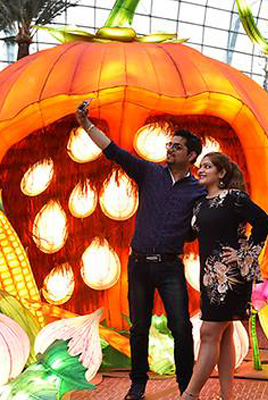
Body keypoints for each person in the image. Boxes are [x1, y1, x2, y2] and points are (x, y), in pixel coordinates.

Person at [75, 102, 206, 400]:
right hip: (139, 265)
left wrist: (194, 230)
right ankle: (137, 385)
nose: (170, 149)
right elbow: (113, 151)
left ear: (191, 156)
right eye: (169, 145)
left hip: (170, 267)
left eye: (177, 147)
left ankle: (187, 388)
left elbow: (205, 221)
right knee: (138, 328)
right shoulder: (150, 173)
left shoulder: (198, 190)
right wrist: (85, 124)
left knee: (181, 328)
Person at [181, 152, 268, 400]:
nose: (201, 170)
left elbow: (263, 222)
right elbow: (190, 234)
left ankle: (189, 395)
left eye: (207, 166)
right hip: (209, 278)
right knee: (225, 333)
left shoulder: (234, 198)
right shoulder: (199, 204)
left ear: (221, 173)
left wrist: (245, 253)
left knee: (208, 332)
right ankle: (227, 396)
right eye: (200, 166)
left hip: (231, 276)